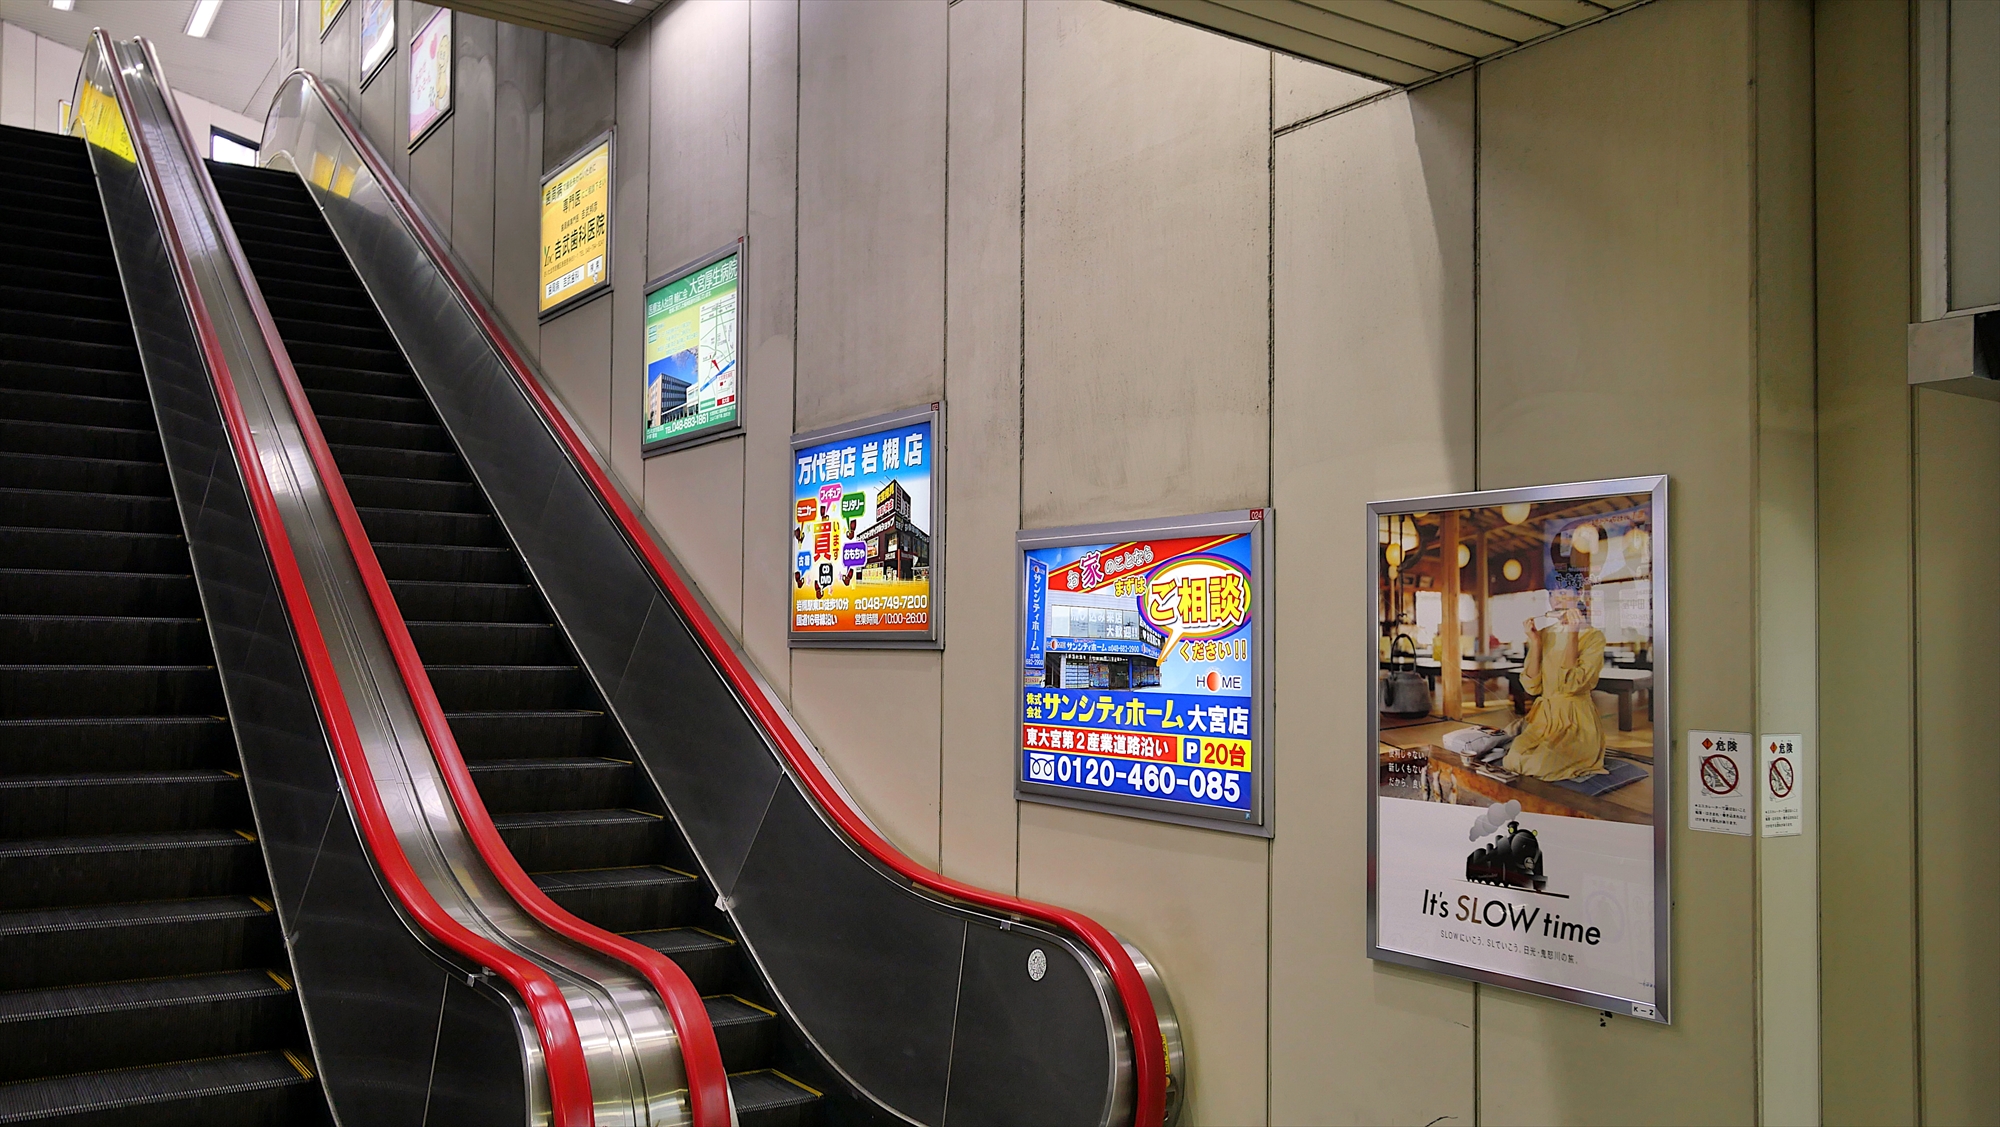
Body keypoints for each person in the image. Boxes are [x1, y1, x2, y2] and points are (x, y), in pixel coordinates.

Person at [1502, 569, 1608, 782]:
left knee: (1539, 763)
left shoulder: (1593, 636)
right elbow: (1532, 687)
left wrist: (1572, 634)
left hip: (1576, 721)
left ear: (1578, 595)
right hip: (1544, 719)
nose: (1558, 597)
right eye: (1553, 592)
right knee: (1513, 759)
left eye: (1565, 591)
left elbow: (1572, 684)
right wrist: (1535, 642)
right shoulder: (1544, 633)